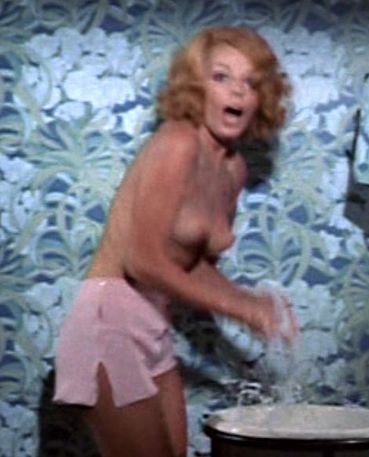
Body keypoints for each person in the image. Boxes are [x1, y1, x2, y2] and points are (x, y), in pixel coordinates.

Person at [53, 26, 295, 457]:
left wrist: (254, 303)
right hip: (108, 324)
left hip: (154, 329)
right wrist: (239, 308)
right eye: (221, 76)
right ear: (196, 87)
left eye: (251, 81)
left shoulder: (234, 169)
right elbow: (142, 260)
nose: (237, 91)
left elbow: (193, 264)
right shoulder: (177, 142)